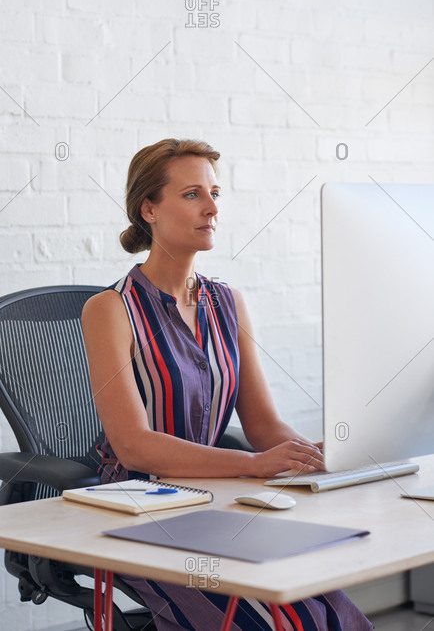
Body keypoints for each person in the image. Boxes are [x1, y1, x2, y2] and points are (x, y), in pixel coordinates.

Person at [82, 138, 373, 630]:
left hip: (215, 493)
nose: (213, 208)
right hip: (138, 503)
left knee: (321, 609)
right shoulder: (110, 309)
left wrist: (316, 455)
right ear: (148, 208)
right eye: (193, 194)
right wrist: (254, 465)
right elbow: (134, 447)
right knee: (268, 622)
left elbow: (262, 424)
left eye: (215, 193)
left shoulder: (227, 303)